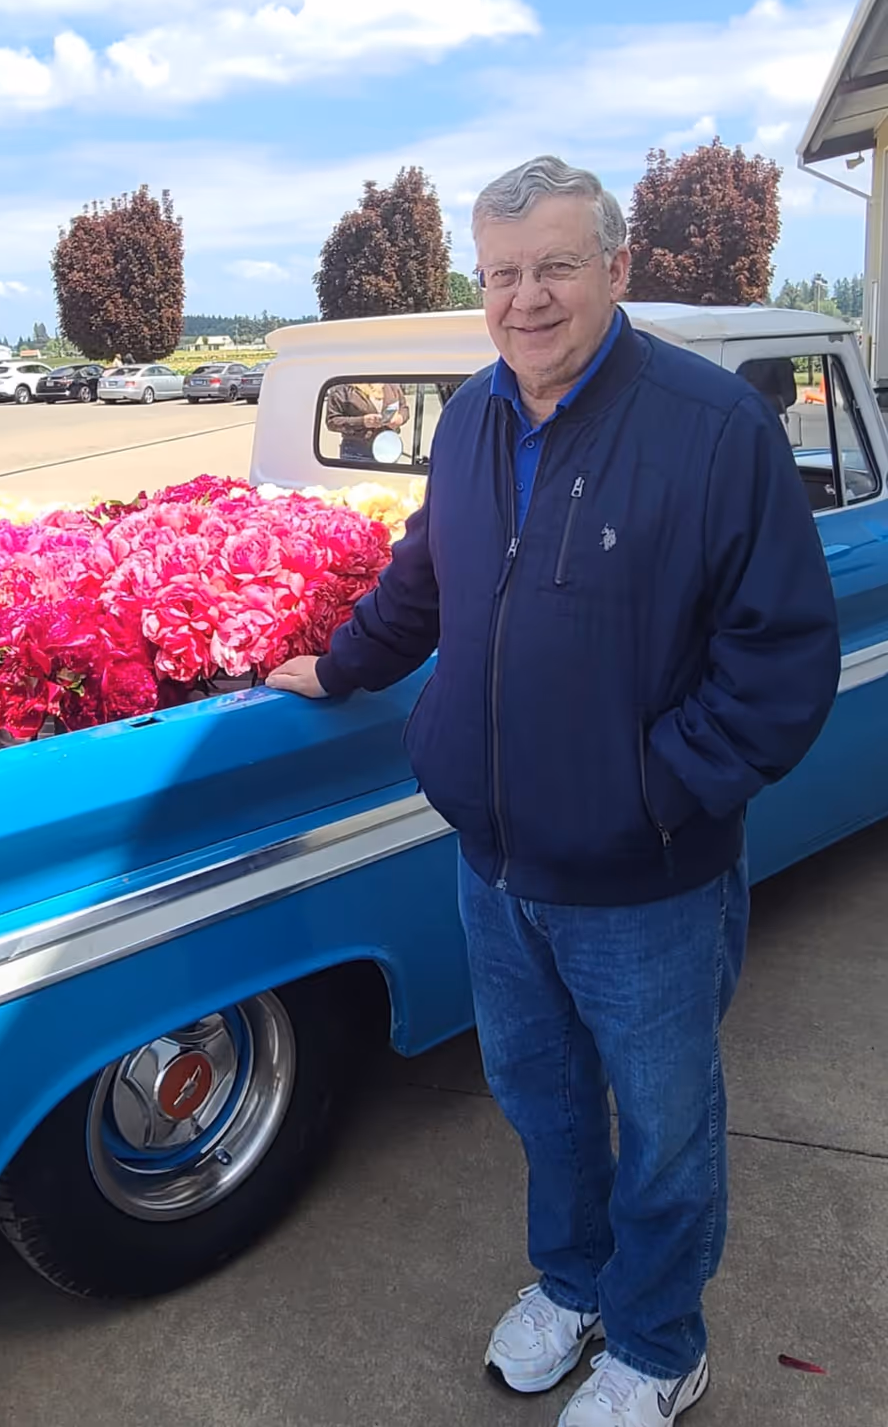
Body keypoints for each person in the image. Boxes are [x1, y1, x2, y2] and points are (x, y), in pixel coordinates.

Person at [268, 156, 840, 1426]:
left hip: (646, 879)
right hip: (494, 861)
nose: (528, 299)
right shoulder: (472, 416)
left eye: (557, 267)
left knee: (667, 1121)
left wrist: (653, 793)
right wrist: (346, 662)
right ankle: (574, 1284)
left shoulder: (711, 430)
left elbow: (783, 658)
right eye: (503, 274)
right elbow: (429, 576)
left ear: (618, 269)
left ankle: (656, 1339)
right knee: (538, 1096)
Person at [324, 379, 411, 462]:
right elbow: (332, 421)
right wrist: (362, 421)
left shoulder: (391, 385)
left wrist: (400, 418)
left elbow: (404, 407)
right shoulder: (343, 389)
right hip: (357, 453)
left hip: (389, 450)